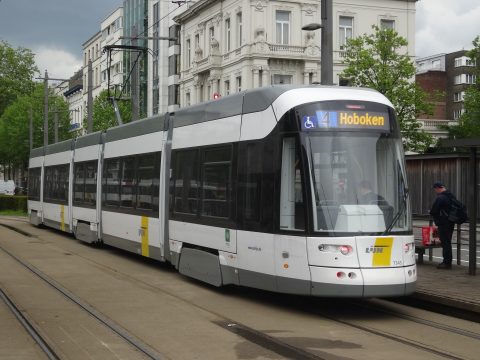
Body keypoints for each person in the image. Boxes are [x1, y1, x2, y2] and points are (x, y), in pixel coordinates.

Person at [429, 181, 455, 269]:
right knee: (448, 241)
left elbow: (434, 211)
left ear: (438, 188)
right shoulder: (450, 195)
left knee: (445, 242)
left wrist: (435, 217)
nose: (435, 191)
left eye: (435, 189)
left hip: (443, 223)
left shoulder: (441, 198)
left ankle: (446, 263)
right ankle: (448, 262)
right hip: (451, 222)